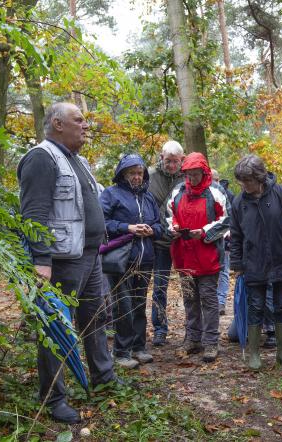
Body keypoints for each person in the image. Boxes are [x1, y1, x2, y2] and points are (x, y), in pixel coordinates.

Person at [17, 102, 117, 424]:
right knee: (57, 327)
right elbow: (34, 213)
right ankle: (54, 398)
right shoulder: (41, 158)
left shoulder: (79, 160)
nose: (86, 125)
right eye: (79, 120)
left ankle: (103, 376)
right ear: (58, 124)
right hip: (61, 261)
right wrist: (41, 260)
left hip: (90, 256)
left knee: (94, 318)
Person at [230, 154, 282, 370]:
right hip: (253, 263)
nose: (243, 185)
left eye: (247, 181)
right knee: (255, 306)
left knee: (281, 305)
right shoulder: (239, 202)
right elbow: (236, 234)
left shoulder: (281, 193)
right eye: (240, 181)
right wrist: (237, 264)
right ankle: (254, 354)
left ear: (259, 178)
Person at [166, 152, 231, 363]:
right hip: (183, 255)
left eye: (196, 174)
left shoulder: (216, 192)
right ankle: (193, 338)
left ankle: (211, 342)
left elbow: (227, 220)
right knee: (189, 299)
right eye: (189, 175)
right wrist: (173, 228)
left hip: (208, 256)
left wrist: (204, 232)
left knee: (209, 300)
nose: (192, 179)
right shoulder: (178, 190)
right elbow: (168, 214)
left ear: (204, 172)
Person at [100, 153, 163, 369]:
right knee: (123, 305)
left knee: (139, 304)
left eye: (139, 173)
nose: (137, 177)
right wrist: (127, 228)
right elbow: (102, 222)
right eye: (132, 173)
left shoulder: (149, 198)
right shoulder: (111, 195)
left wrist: (150, 230)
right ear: (123, 174)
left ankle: (139, 347)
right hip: (121, 260)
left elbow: (160, 226)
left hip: (145, 259)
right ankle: (121, 352)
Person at [147, 141, 185, 346]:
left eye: (175, 161)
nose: (171, 165)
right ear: (161, 157)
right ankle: (160, 328)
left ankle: (194, 332)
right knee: (159, 287)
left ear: (182, 159)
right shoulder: (149, 176)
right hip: (160, 242)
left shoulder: (188, 175)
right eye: (168, 160)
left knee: (190, 285)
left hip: (184, 241)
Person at [212, 168, 234, 316]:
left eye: (215, 179)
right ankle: (213, 300)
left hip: (224, 240)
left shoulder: (228, 195)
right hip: (209, 240)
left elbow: (232, 217)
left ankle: (220, 302)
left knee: (224, 271)